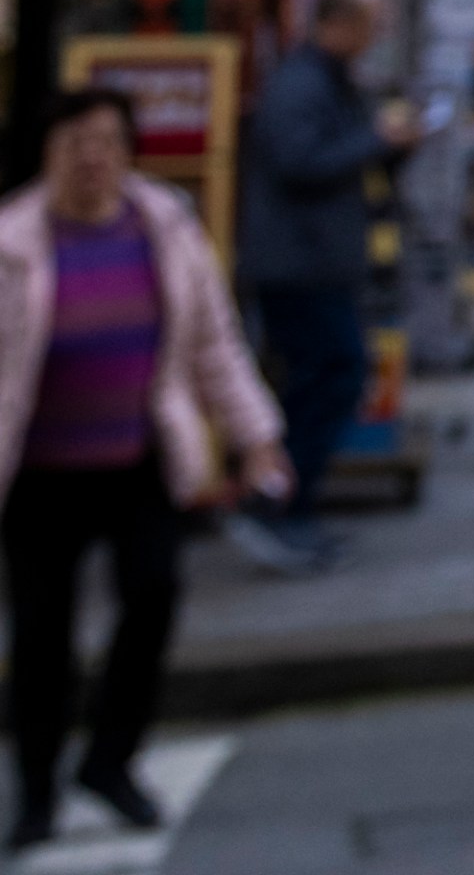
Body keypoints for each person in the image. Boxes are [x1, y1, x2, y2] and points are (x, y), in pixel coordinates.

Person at [0, 91, 289, 843]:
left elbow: (213, 344)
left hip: (137, 458)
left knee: (153, 595)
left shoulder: (164, 225)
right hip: (37, 472)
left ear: (128, 151)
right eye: (75, 142)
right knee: (42, 635)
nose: (92, 157)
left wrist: (255, 435)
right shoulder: (13, 240)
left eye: (106, 141)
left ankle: (111, 759)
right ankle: (36, 788)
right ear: (48, 153)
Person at [237, 0, 420, 572]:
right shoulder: (300, 83)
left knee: (330, 373)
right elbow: (299, 161)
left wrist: (392, 146)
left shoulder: (331, 80)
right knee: (331, 372)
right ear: (338, 24)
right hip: (297, 261)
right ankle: (274, 502)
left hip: (320, 258)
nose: (371, 42)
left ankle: (290, 504)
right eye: (365, 28)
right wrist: (376, 140)